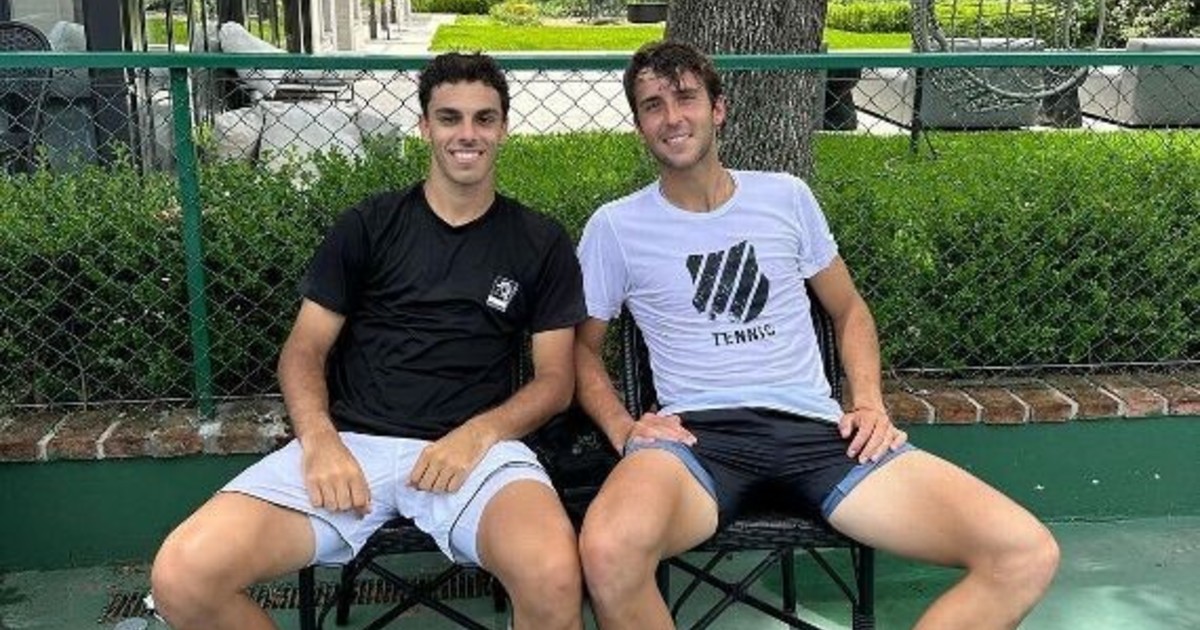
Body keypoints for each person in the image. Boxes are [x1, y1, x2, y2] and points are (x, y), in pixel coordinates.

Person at [573, 40, 1059, 630]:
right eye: (653, 105)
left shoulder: (786, 197)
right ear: (639, 125)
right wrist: (624, 428)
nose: (672, 117)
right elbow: (582, 349)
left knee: (1024, 553)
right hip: (696, 440)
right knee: (608, 552)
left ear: (718, 108)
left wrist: (869, 403)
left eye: (686, 98)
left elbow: (849, 310)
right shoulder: (616, 227)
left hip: (817, 433)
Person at [151, 52, 587, 630]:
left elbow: (556, 382)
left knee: (554, 578)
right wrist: (320, 440)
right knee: (183, 575)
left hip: (476, 452)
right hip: (354, 447)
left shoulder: (540, 240)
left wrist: (478, 434)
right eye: (449, 117)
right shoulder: (369, 225)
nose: (467, 134)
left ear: (503, 128)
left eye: (484, 118)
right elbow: (304, 350)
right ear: (424, 126)